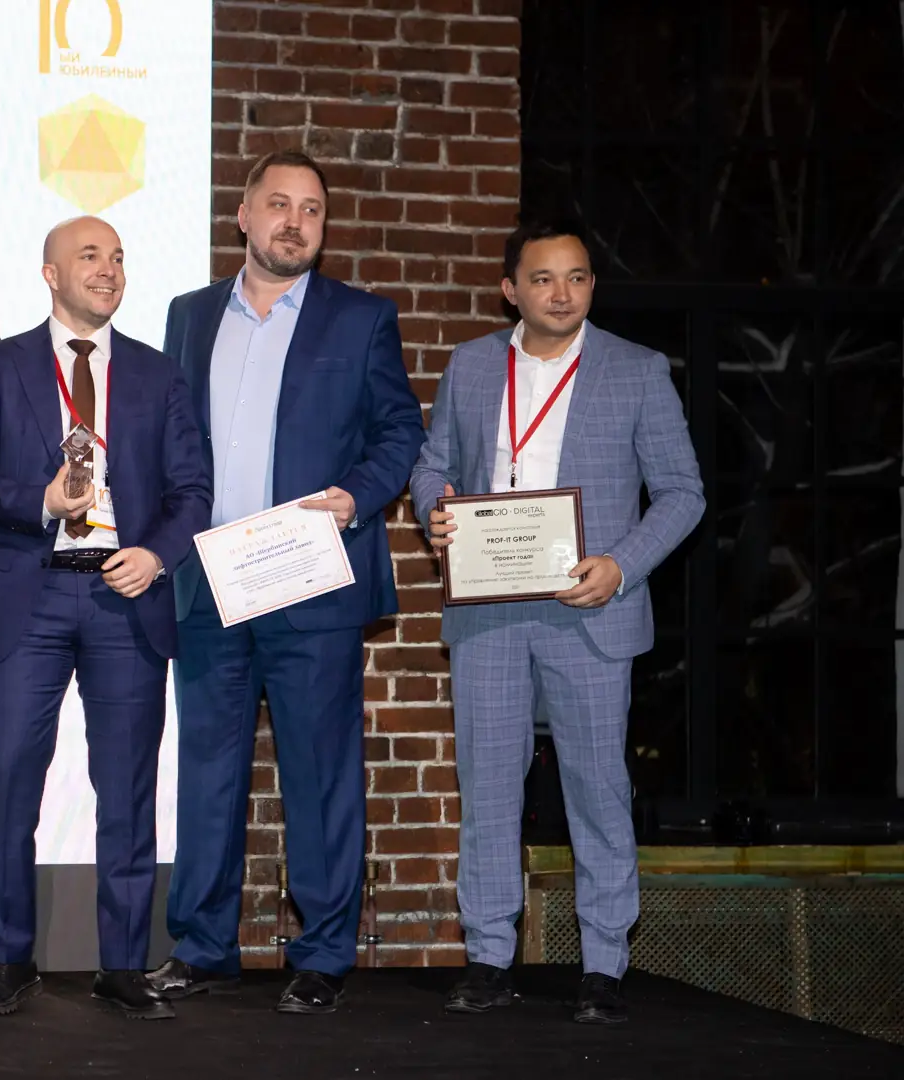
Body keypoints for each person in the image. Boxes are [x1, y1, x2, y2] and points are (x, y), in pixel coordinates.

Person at [151, 149, 426, 1015]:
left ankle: (323, 954)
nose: (295, 222)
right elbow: (170, 438)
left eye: (311, 209)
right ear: (243, 214)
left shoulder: (362, 318)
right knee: (207, 774)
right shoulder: (190, 315)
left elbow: (400, 431)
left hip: (311, 578)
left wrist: (358, 496)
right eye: (279, 204)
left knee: (319, 774)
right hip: (210, 580)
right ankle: (203, 948)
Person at [409, 219, 704, 1024]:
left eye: (577, 277)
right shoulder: (472, 365)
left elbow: (683, 492)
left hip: (590, 607)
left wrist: (621, 565)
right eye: (543, 278)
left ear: (592, 287)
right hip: (489, 609)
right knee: (488, 788)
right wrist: (436, 510)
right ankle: (487, 956)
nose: (562, 292)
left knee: (598, 789)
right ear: (511, 290)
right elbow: (434, 464)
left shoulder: (638, 371)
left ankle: (604, 963)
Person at [0, 216, 212, 1019]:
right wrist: (40, 501)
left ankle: (122, 965)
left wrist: (156, 555)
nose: (108, 269)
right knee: (9, 778)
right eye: (89, 256)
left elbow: (193, 490)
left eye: (118, 257)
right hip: (31, 592)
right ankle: (9, 959)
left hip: (127, 594)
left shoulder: (159, 375)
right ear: (50, 273)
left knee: (127, 787)